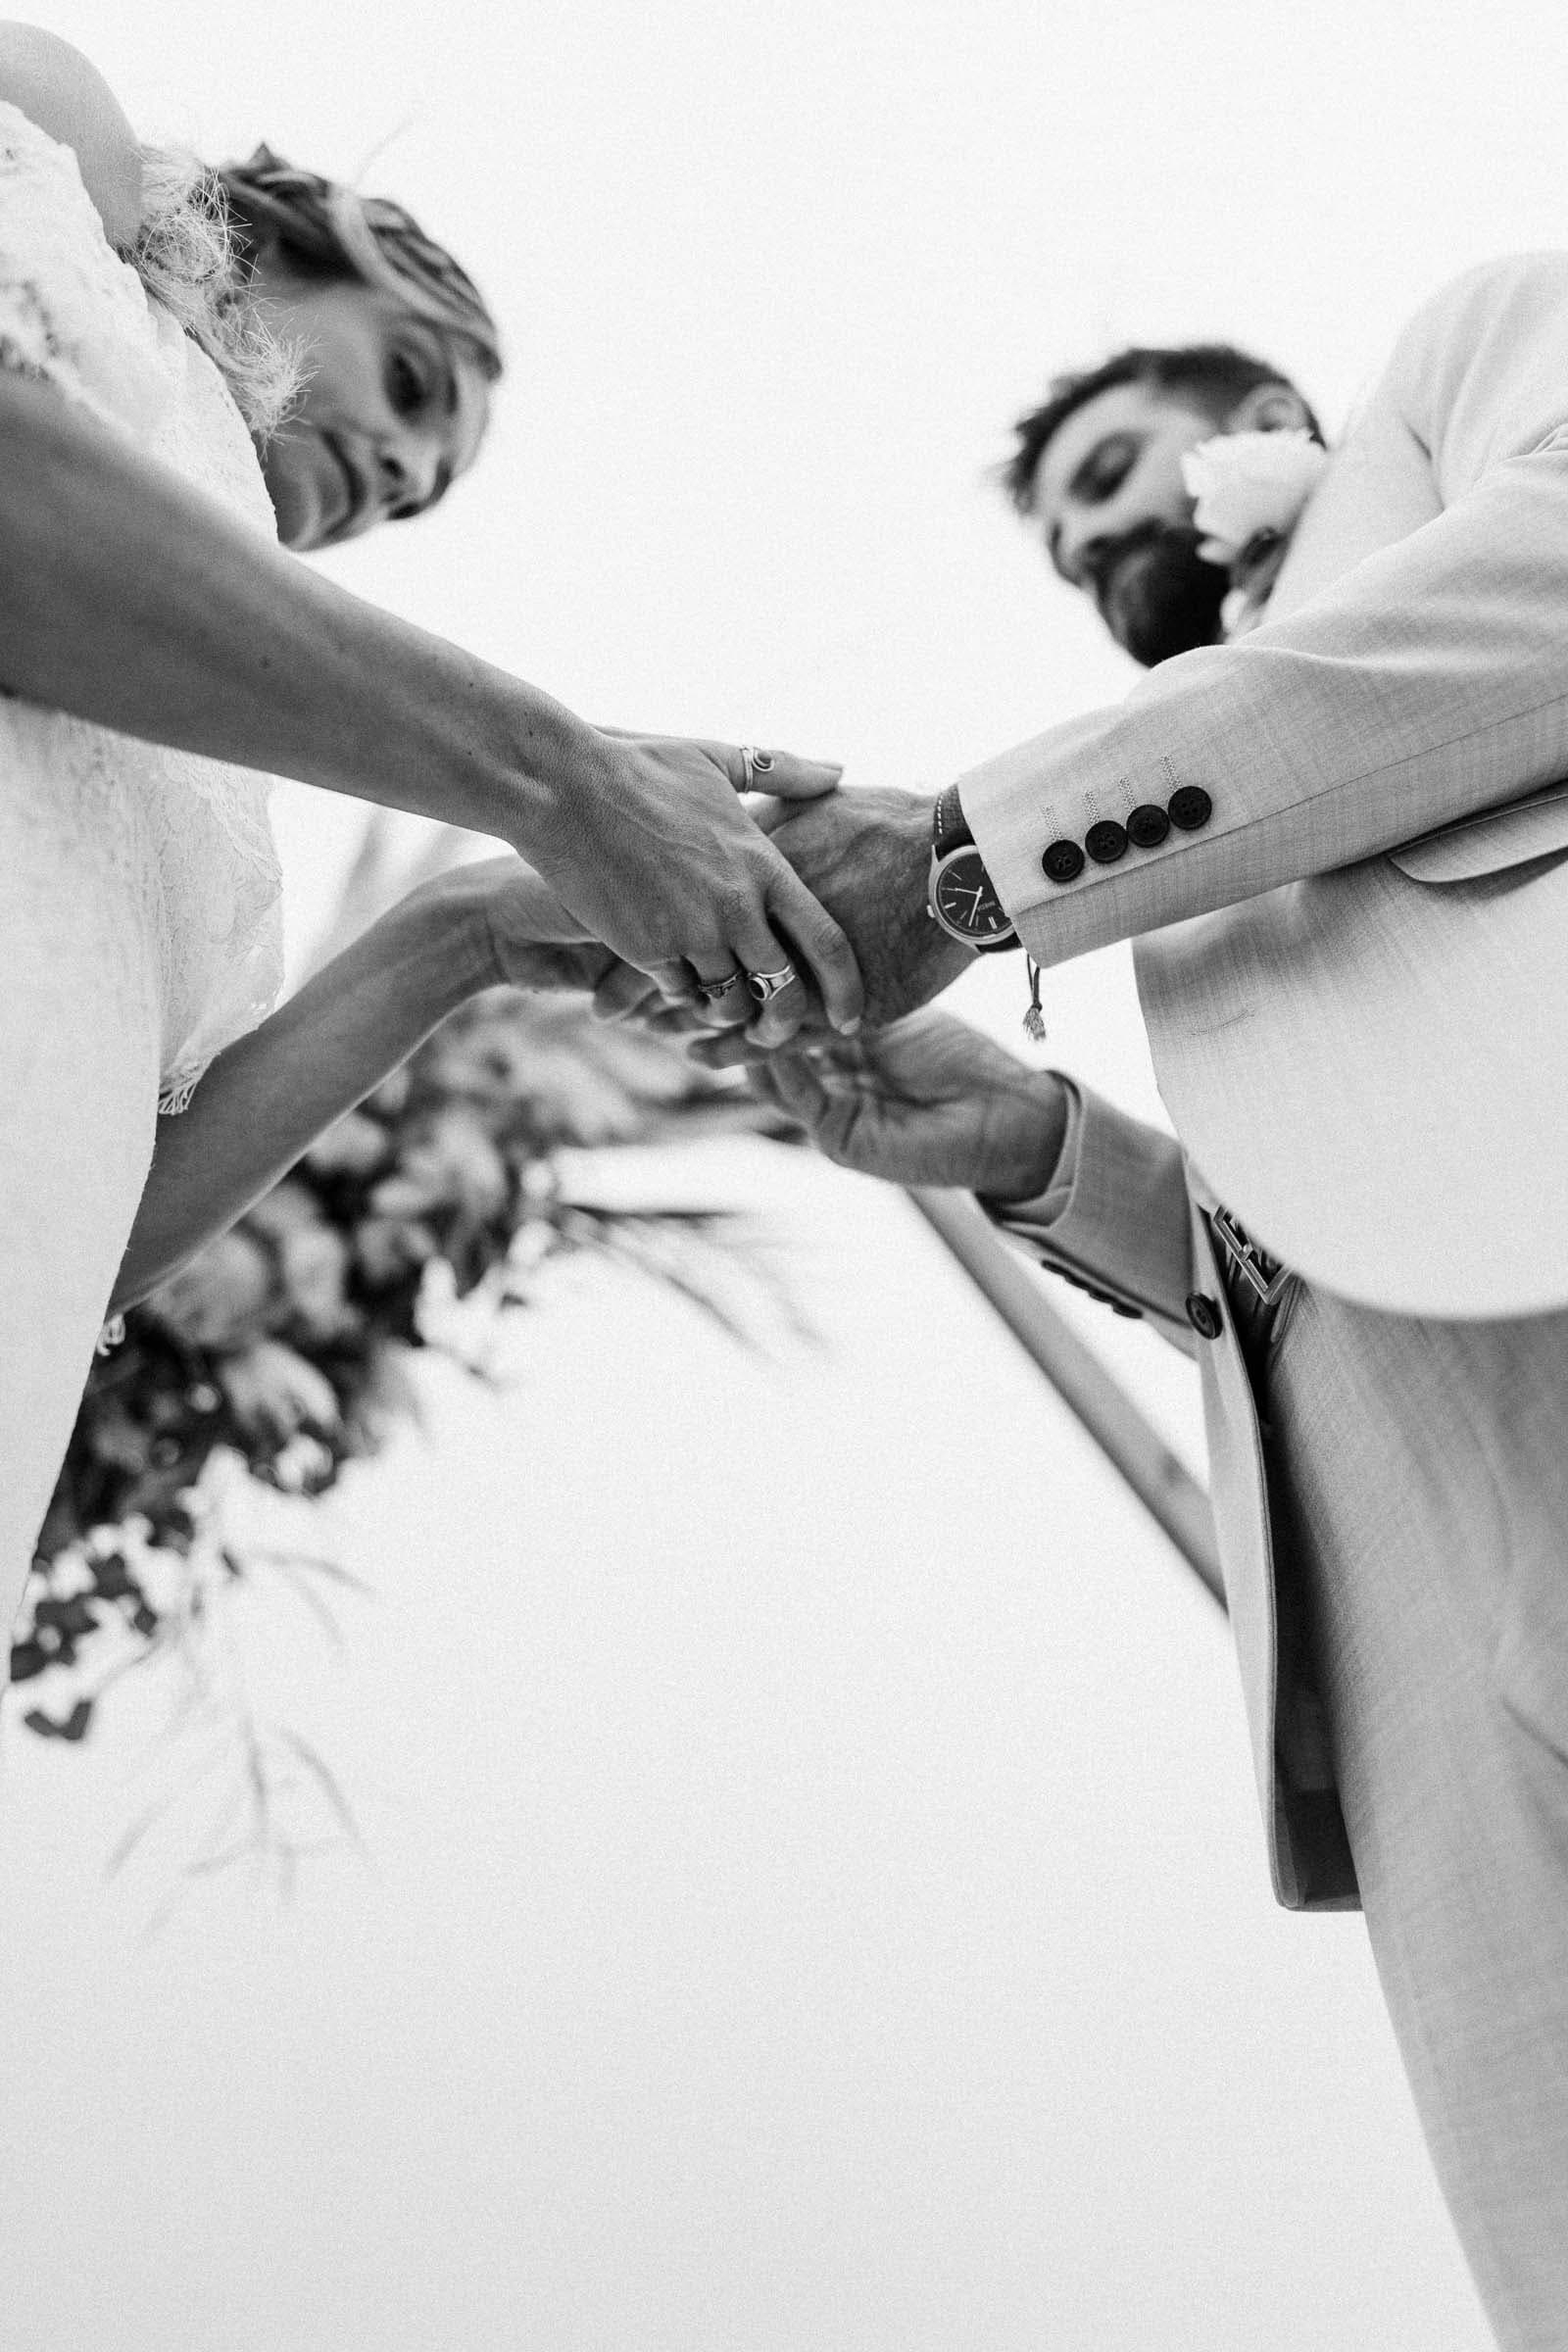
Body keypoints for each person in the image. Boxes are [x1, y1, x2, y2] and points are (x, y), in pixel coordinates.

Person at [685, 264, 1568, 2346]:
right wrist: (1042, 1154)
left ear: (1259, 401)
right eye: (1071, 554)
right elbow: (1340, 1210)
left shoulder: (1461, 375)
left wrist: (976, 860)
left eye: (1108, 482)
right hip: (1400, 1616)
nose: (1099, 554)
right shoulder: (1206, 868)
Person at [0, 27, 862, 1665]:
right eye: (411, 387)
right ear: (338, 239)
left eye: (415, 495)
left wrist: (461, 936)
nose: (392, 474)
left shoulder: (216, 763)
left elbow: (92, 1230)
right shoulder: (70, 145)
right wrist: (564, 778)